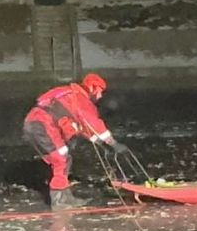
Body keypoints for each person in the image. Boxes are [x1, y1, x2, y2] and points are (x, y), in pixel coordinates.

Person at [22, 72, 130, 210]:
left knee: (65, 159)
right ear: (93, 88)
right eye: (100, 92)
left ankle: (66, 197)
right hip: (43, 125)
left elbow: (83, 128)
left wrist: (100, 144)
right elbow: (92, 123)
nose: (100, 96)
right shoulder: (81, 99)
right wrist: (113, 143)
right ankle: (59, 202)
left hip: (35, 124)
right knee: (61, 159)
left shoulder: (70, 96)